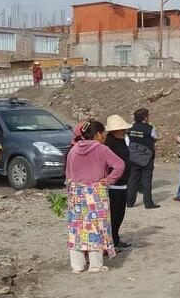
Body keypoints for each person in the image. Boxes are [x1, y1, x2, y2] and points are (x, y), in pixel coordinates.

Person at [66, 120, 125, 273]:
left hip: (76, 193)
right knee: (96, 228)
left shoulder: (73, 150)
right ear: (97, 134)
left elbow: (68, 174)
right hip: (95, 193)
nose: (104, 136)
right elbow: (120, 165)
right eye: (103, 133)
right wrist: (109, 180)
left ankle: (77, 266)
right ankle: (95, 265)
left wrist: (70, 193)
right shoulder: (102, 149)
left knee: (77, 229)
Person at [104, 115, 133, 249]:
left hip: (123, 183)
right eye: (120, 129)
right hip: (113, 185)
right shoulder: (108, 144)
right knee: (113, 216)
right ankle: (111, 241)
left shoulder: (122, 141)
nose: (123, 131)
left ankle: (115, 239)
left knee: (119, 214)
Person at [126, 108, 160, 209]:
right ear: (145, 117)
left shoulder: (130, 128)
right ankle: (148, 203)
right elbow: (155, 138)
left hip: (133, 157)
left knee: (132, 180)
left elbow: (127, 140)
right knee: (146, 181)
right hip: (147, 158)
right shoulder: (150, 128)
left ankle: (130, 202)